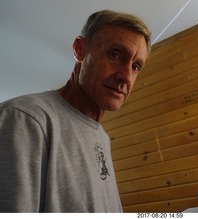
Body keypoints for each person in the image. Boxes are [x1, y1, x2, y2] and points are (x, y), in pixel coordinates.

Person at [0, 9, 151, 212]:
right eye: (115, 54)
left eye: (135, 66)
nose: (126, 77)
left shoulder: (102, 137)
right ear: (80, 49)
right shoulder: (24, 118)